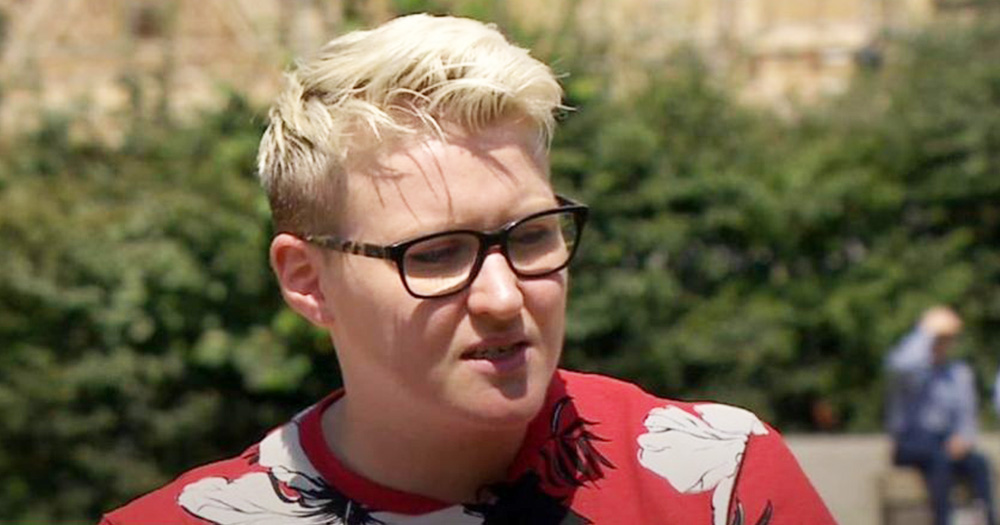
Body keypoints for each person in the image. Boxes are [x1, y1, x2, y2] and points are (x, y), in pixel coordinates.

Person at [101, 14, 833, 524]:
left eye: (533, 235)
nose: (503, 295)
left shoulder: (718, 481)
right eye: (436, 254)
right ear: (307, 279)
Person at [885, 305, 997, 525]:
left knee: (979, 463)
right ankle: (943, 520)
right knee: (939, 459)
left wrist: (964, 439)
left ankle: (987, 517)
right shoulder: (910, 371)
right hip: (911, 442)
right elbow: (900, 365)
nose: (944, 344)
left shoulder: (958, 373)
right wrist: (925, 335)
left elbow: (967, 415)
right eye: (940, 338)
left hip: (944, 440)